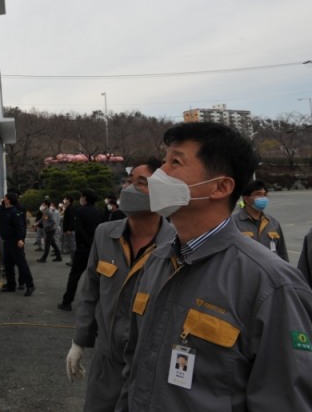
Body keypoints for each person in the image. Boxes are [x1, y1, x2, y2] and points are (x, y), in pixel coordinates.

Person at [118, 122, 312, 411]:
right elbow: (134, 371)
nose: (160, 175)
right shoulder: (157, 263)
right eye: (163, 162)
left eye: (175, 162)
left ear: (221, 187)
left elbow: (285, 400)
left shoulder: (271, 285)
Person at [65, 158, 175, 411]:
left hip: (151, 365)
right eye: (128, 181)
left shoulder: (176, 245)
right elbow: (91, 292)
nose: (129, 188)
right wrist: (79, 342)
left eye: (141, 183)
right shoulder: (105, 234)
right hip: (107, 360)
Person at [0, 191, 36, 296]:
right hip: (7, 242)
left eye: (4, 198)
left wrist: (20, 239)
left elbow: (20, 226)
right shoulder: (3, 210)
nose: (2, 199)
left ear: (8, 200)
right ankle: (11, 285)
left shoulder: (15, 212)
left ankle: (30, 285)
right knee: (8, 264)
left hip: (15, 241)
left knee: (21, 264)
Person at [58, 190, 104, 311]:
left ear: (85, 198)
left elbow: (78, 228)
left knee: (75, 275)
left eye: (82, 197)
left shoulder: (79, 211)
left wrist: (87, 241)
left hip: (83, 247)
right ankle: (97, 305)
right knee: (96, 277)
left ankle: (67, 302)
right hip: (96, 248)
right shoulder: (99, 212)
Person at [231, 180, 289, 261]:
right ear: (246, 198)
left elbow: (282, 253)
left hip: (270, 271)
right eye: (258, 194)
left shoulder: (273, 223)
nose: (263, 198)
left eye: (264, 195)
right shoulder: (233, 223)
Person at [62, 196, 77, 266]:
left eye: (65, 199)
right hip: (68, 230)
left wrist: (69, 229)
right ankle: (73, 260)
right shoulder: (68, 208)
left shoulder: (70, 208)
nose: (64, 200)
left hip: (70, 230)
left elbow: (71, 220)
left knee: (72, 246)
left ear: (68, 200)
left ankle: (74, 261)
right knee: (71, 246)